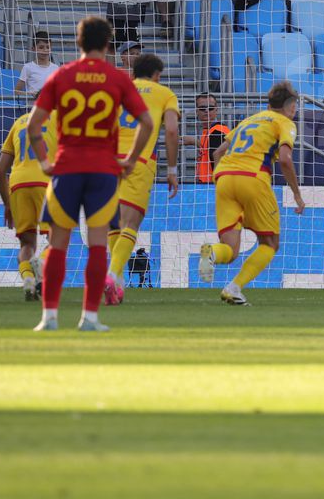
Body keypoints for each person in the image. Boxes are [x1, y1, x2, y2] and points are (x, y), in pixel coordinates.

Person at [28, 16, 153, 332]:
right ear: (108, 44)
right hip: (103, 171)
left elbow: (34, 127)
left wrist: (44, 161)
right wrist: (130, 160)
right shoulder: (117, 78)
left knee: (58, 245)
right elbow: (147, 123)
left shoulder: (61, 76)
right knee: (98, 245)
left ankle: (49, 318)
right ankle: (90, 318)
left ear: (78, 42)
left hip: (66, 169)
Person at [200, 79, 305, 305]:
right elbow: (285, 159)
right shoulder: (284, 123)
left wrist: (221, 179)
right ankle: (234, 287)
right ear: (292, 106)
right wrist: (296, 194)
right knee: (270, 243)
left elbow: (218, 152)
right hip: (253, 178)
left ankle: (212, 253)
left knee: (230, 249)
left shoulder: (249, 120)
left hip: (224, 178)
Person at [102, 53, 181, 305]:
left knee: (113, 223)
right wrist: (172, 169)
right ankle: (112, 276)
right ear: (157, 74)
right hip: (139, 161)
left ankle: (117, 283)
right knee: (130, 224)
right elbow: (171, 130)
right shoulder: (164, 93)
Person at [0, 108, 58, 301]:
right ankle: (43, 263)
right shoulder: (60, 119)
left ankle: (29, 280)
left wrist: (8, 204)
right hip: (46, 181)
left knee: (26, 243)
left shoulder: (19, 122)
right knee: (57, 239)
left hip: (18, 184)